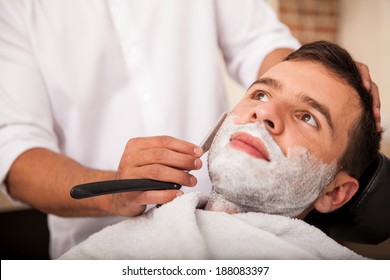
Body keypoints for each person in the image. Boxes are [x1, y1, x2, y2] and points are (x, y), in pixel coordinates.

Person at [0, 1, 379, 259]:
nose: (264, 115)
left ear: (337, 191)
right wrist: (115, 191)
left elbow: (260, 43)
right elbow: (15, 154)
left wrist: (326, 84)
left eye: (308, 117)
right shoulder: (15, 11)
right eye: (259, 94)